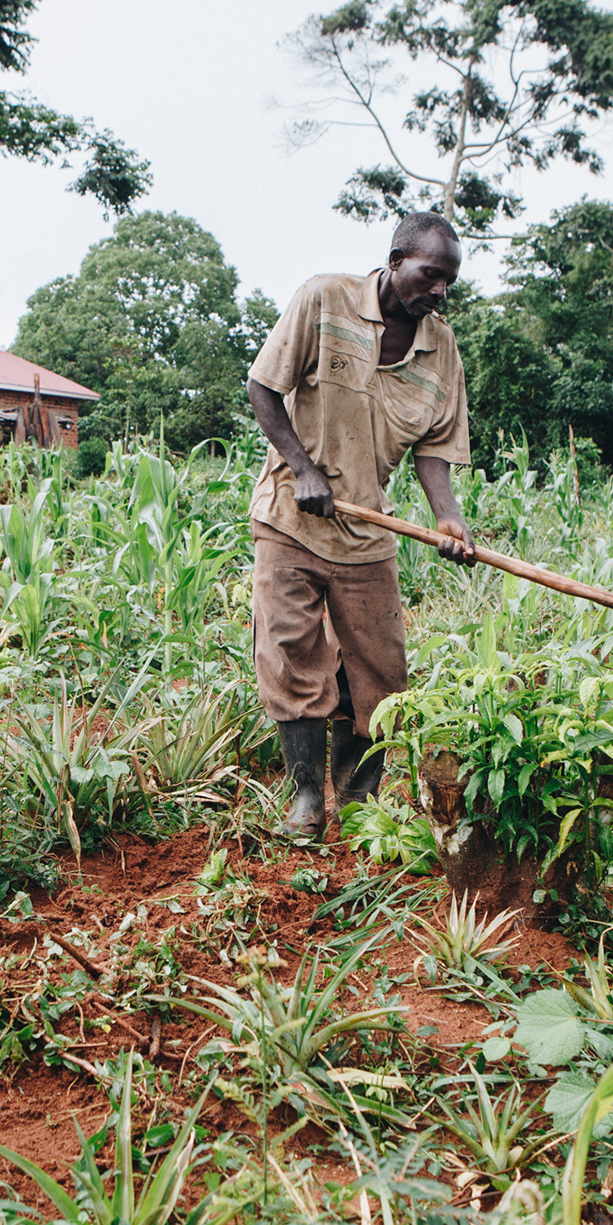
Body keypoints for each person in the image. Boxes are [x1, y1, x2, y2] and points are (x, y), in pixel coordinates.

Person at [246, 211, 477, 838]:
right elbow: (263, 387)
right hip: (291, 519)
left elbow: (434, 446)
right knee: (293, 651)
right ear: (397, 260)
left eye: (449, 281)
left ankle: (358, 804)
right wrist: (304, 469)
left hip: (368, 531)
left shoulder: (442, 348)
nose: (440, 291)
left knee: (378, 674)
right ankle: (304, 801)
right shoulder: (324, 298)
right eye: (431, 274)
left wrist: (448, 518)